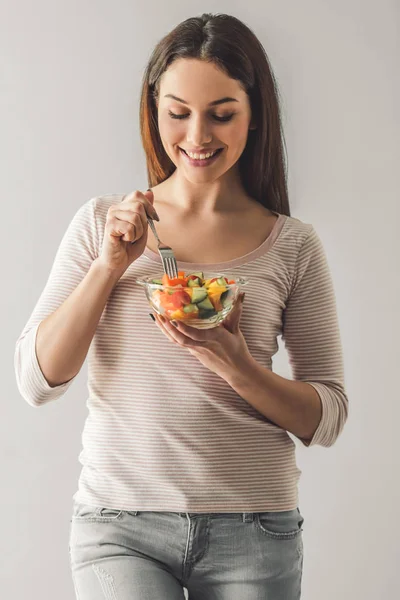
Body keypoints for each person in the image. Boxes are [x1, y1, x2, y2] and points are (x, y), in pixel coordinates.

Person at [14, 12, 348, 600]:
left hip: (257, 525)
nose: (197, 138)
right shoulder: (103, 224)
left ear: (255, 114)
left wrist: (235, 364)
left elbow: (327, 418)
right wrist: (108, 267)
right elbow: (37, 381)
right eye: (178, 113)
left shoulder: (293, 245)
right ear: (154, 111)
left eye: (221, 115)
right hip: (120, 525)